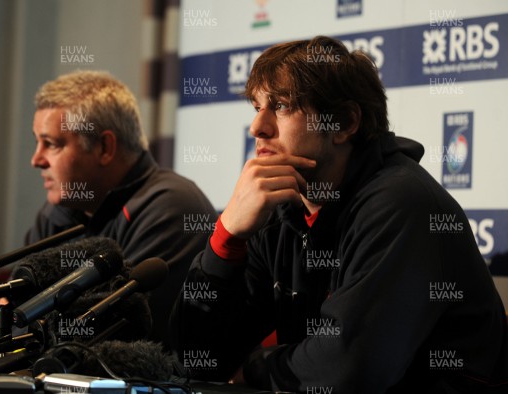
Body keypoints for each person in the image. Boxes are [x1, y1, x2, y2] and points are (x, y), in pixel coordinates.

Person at [171, 36, 508, 392]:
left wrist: (254, 367)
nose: (257, 128)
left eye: (282, 106)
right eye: (257, 108)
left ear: (345, 122)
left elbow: (349, 371)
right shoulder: (281, 208)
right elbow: (195, 360)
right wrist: (226, 238)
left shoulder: (402, 203)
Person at [0, 70, 216, 344]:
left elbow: (115, 328)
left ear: (104, 147)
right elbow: (16, 300)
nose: (36, 160)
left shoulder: (173, 207)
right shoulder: (57, 212)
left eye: (50, 144)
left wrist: (21, 324)